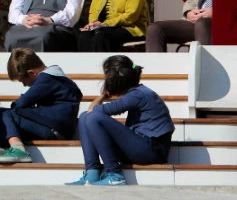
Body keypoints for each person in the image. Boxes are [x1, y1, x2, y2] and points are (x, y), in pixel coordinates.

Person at [67, 55, 174, 186]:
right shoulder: (137, 93)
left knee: (93, 117)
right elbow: (90, 112)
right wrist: (103, 96)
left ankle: (115, 174)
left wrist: (102, 95)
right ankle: (92, 173)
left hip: (152, 151)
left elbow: (94, 111)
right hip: (143, 148)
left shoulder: (139, 94)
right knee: (84, 117)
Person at [0, 48, 83, 164]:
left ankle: (18, 150)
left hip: (54, 130)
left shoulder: (47, 79)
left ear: (32, 73)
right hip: (53, 127)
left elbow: (21, 104)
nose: (25, 85)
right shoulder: (55, 78)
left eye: (23, 81)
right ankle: (1, 147)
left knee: (4, 114)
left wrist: (19, 105)